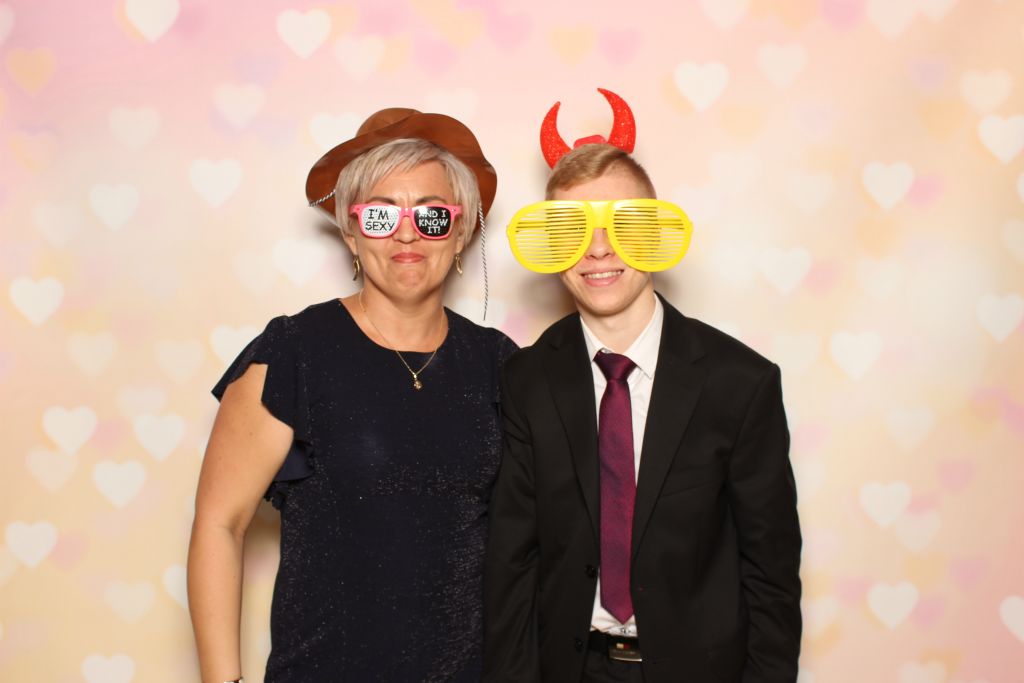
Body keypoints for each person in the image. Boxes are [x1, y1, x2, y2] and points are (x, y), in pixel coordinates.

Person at [187, 108, 517, 682]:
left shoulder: (499, 363)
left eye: (432, 215)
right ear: (351, 233)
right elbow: (221, 523)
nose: (408, 233)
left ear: (460, 233)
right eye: (381, 215)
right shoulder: (295, 352)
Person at [484, 90, 801, 683]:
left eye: (621, 225)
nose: (598, 249)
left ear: (653, 232)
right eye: (572, 229)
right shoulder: (526, 380)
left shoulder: (741, 384)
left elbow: (771, 574)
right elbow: (512, 564)